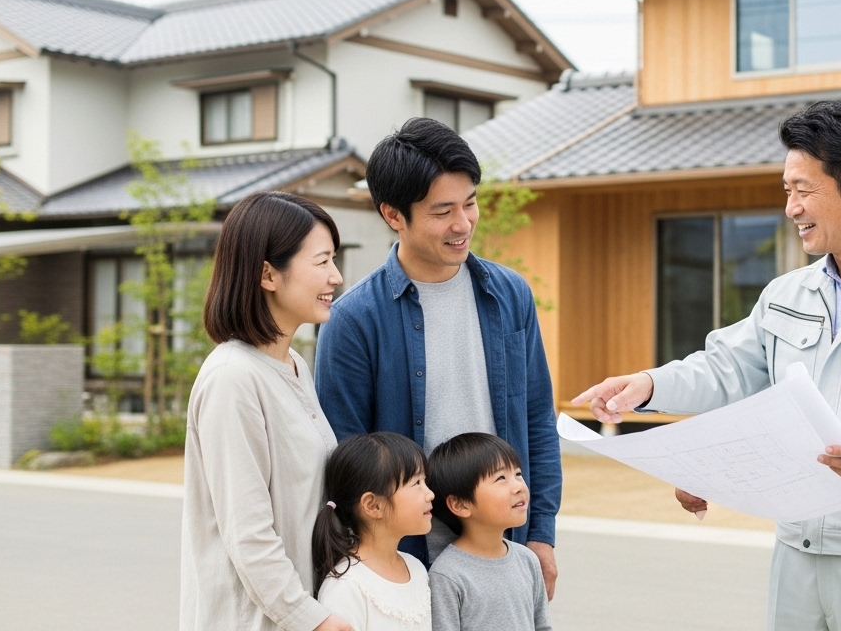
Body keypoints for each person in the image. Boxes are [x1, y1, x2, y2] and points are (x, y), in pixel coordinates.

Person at [574, 101, 841, 631]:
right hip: (796, 559)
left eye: (804, 190)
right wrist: (646, 385)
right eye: (788, 190)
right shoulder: (785, 294)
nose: (791, 207)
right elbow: (726, 371)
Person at [314, 118, 560, 597]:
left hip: (503, 549)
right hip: (403, 560)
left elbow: (536, 418)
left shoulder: (510, 295)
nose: (462, 223)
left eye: (470, 203)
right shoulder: (354, 320)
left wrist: (541, 534)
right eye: (442, 210)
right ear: (393, 214)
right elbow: (342, 455)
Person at [181, 191, 350, 631]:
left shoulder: (293, 366)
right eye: (322, 261)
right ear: (268, 274)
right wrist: (313, 620)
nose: (336, 276)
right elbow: (249, 534)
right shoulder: (233, 379)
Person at [425, 433, 552, 631]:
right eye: (501, 478)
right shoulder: (447, 575)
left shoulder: (527, 560)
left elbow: (542, 627)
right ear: (460, 504)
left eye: (518, 474)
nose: (518, 486)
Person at [314, 432, 435, 631]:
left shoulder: (416, 569)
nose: (430, 494)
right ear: (373, 505)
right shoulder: (346, 586)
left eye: (425, 481)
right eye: (416, 483)